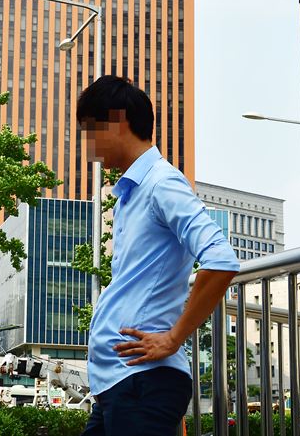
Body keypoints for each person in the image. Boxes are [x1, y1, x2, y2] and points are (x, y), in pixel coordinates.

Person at [76, 76, 240, 436]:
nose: (86, 144)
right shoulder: (130, 195)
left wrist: (173, 337)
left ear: (118, 122)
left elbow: (220, 258)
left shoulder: (161, 183)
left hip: (142, 384)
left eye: (90, 130)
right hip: (120, 384)